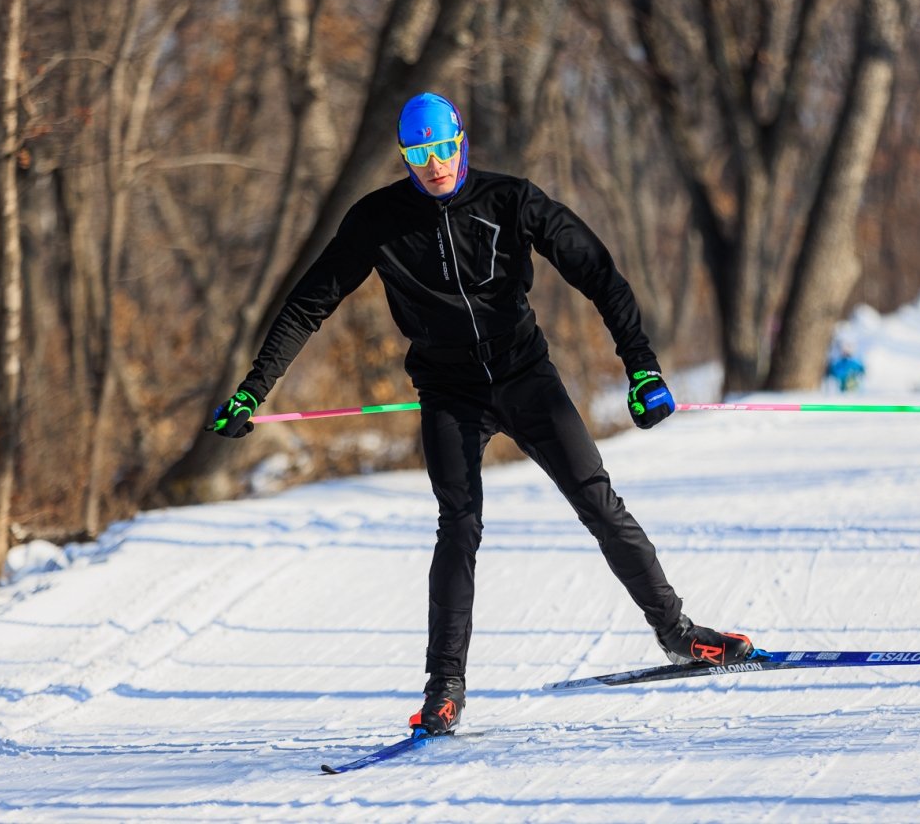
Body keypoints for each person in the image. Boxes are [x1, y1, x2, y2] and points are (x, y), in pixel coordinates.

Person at [207, 92, 753, 735]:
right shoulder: (377, 220)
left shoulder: (511, 200)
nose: (434, 164)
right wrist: (253, 388)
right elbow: (307, 305)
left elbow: (599, 273)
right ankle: (444, 688)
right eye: (418, 153)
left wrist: (642, 367)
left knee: (597, 501)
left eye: (443, 148)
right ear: (405, 156)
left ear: (461, 141)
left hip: (526, 377)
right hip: (449, 392)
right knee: (459, 526)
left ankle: (679, 633)